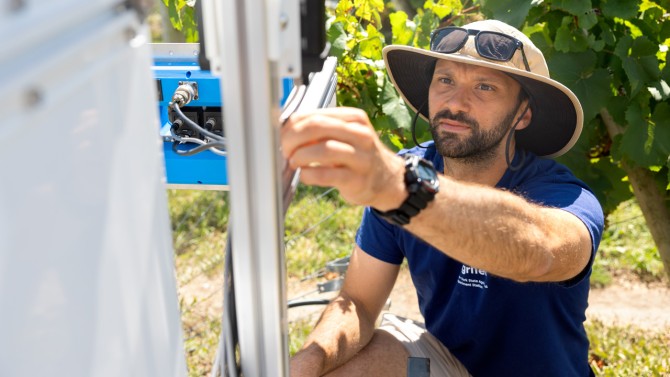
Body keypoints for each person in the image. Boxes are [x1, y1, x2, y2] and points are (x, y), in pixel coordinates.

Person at [281, 19, 604, 377]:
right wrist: (303, 366)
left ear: (522, 114)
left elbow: (538, 251)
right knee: (357, 356)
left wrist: (400, 189)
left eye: (485, 87)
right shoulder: (405, 173)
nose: (455, 102)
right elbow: (357, 302)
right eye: (445, 80)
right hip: (453, 368)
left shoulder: (566, 197)